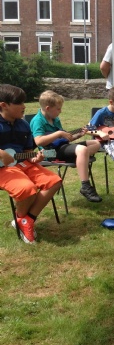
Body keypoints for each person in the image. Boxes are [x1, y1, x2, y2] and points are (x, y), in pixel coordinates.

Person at [0, 84, 62, 244]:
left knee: (54, 181)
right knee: (27, 189)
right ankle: (23, 221)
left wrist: (35, 158)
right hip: (3, 169)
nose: (24, 106)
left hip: (23, 163)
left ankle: (25, 219)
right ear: (4, 105)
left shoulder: (24, 125)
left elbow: (28, 150)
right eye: (19, 103)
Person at [30, 90, 102, 203]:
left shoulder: (55, 119)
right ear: (48, 108)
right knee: (82, 149)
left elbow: (64, 139)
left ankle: (80, 157)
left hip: (62, 148)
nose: (61, 111)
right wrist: (58, 133)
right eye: (58, 109)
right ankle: (85, 186)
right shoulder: (38, 121)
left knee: (96, 143)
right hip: (49, 153)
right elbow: (39, 141)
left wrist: (79, 134)